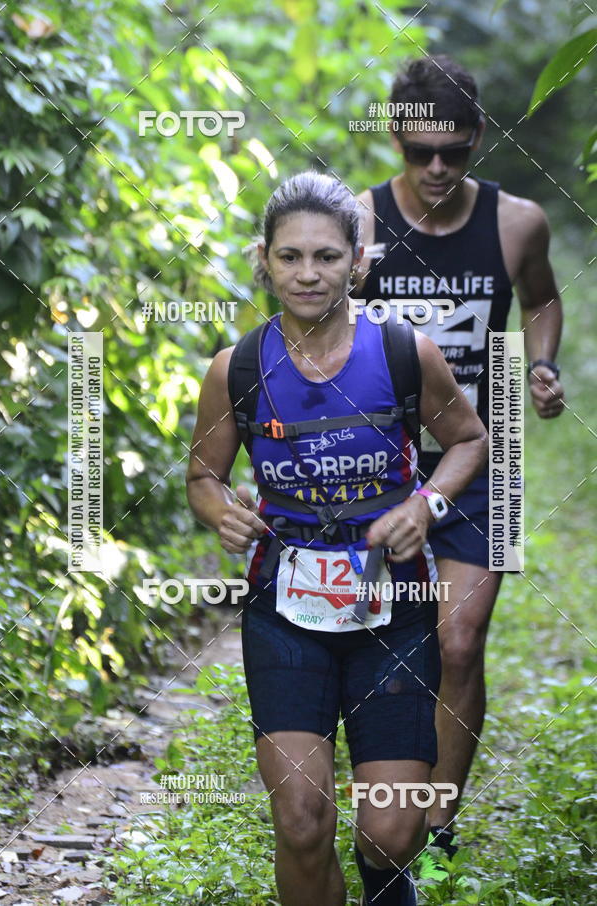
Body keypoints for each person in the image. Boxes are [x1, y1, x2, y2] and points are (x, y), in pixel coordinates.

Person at [186, 170, 488, 906]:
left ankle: (394, 887)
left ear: (358, 260)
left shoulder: (402, 353)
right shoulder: (238, 368)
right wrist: (218, 509)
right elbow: (202, 476)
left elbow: (469, 441)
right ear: (264, 259)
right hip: (285, 610)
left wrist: (427, 502)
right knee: (300, 819)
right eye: (290, 257)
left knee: (390, 833)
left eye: (326, 256)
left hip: (394, 606)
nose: (308, 273)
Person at [355, 55, 565, 857]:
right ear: (396, 140)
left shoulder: (518, 223)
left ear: (479, 136)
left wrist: (542, 365)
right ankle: (382, 789)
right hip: (378, 457)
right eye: (420, 153)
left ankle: (437, 818)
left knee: (458, 639)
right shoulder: (360, 227)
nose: (437, 168)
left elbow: (542, 297)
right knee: (378, 638)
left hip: (490, 448)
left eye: (455, 151)